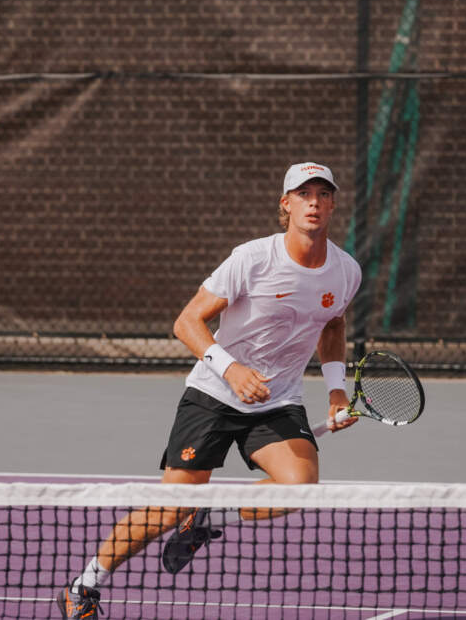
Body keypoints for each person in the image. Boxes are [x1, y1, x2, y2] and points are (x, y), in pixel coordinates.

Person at [56, 162, 363, 619]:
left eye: (322, 193)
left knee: (299, 487)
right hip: (213, 395)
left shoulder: (345, 271)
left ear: (333, 203)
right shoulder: (252, 259)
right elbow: (187, 322)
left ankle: (207, 518)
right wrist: (232, 370)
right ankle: (83, 586)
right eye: (303, 194)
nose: (313, 202)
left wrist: (337, 391)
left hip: (278, 401)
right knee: (165, 508)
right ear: (286, 204)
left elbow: (333, 324)